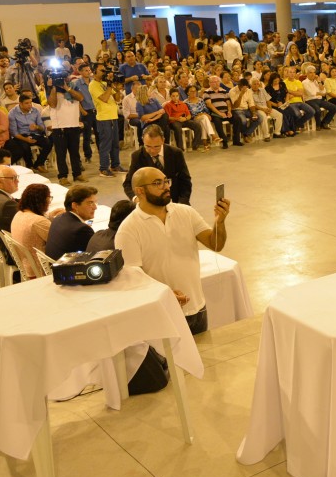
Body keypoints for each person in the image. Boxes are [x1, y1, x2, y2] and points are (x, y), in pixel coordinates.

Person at [116, 166, 230, 335]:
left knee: (201, 360)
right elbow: (133, 278)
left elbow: (216, 245)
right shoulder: (128, 229)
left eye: (166, 181)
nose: (166, 186)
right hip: (162, 313)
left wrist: (219, 222)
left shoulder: (186, 212)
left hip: (197, 307)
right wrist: (165, 293)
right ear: (140, 191)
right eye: (158, 183)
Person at [123, 124, 192, 204]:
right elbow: (128, 183)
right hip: (150, 202)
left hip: (175, 200)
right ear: (143, 140)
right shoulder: (137, 156)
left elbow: (185, 181)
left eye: (156, 146)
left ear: (163, 140)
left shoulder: (176, 153)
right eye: (148, 146)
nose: (152, 151)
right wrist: (135, 198)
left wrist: (182, 202)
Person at [47, 69, 85, 186]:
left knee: (75, 152)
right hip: (59, 127)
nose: (63, 79)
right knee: (61, 153)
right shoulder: (51, 89)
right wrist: (54, 87)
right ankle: (62, 176)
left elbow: (80, 98)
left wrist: (67, 88)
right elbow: (52, 104)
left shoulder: (73, 86)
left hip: (73, 124)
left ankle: (77, 174)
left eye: (64, 76)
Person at [44, 184, 98, 259]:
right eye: (90, 203)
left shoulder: (58, 218)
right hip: (67, 269)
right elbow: (95, 254)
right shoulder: (82, 230)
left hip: (54, 266)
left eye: (95, 202)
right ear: (75, 206)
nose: (95, 207)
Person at [10, 183, 54, 273]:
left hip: (26, 264)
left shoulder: (19, 214)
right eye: (48, 198)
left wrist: (50, 217)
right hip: (41, 268)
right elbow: (58, 241)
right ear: (41, 201)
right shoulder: (38, 221)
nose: (49, 201)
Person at [90, 62, 124, 176]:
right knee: (105, 144)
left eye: (105, 70)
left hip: (113, 116)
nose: (104, 72)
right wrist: (110, 85)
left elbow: (117, 98)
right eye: (102, 70)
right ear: (94, 72)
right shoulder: (93, 85)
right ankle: (103, 168)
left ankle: (115, 165)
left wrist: (117, 88)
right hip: (104, 118)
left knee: (115, 143)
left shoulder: (105, 83)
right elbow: (104, 98)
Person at [6, 94, 51, 172]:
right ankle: (29, 166)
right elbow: (14, 132)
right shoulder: (12, 113)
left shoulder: (35, 111)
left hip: (34, 134)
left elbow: (42, 127)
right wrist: (26, 139)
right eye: (27, 103)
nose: (30, 105)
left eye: (30, 102)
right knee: (25, 146)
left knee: (48, 142)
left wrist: (37, 127)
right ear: (20, 104)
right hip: (20, 136)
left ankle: (38, 164)